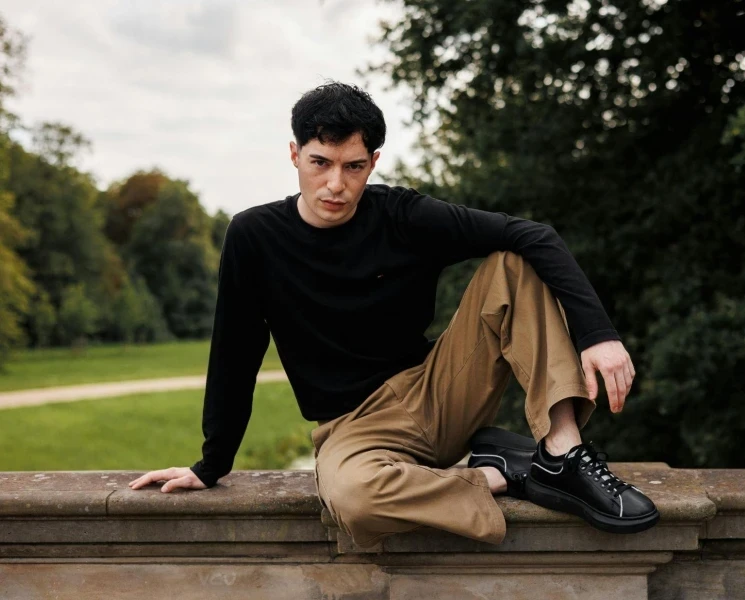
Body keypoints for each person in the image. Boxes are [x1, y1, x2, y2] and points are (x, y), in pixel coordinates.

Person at [129, 82, 659, 546]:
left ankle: (562, 454)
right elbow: (235, 352)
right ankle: (507, 476)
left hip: (436, 389)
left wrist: (599, 336)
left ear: (373, 163)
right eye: (321, 163)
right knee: (353, 499)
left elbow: (533, 235)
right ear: (294, 155)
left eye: (353, 166)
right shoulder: (254, 237)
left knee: (512, 263)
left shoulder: (403, 215)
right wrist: (211, 464)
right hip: (354, 427)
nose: (336, 184)